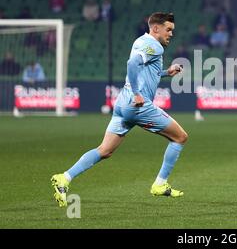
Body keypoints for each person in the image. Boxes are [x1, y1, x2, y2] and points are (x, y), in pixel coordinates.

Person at [51, 12, 188, 207]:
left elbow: (144, 69)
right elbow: (132, 64)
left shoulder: (141, 41)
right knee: (180, 137)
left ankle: (64, 177)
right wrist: (138, 93)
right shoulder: (154, 46)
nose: (171, 34)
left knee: (105, 150)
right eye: (168, 29)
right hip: (138, 105)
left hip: (122, 103)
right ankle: (160, 184)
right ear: (155, 28)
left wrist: (167, 72)